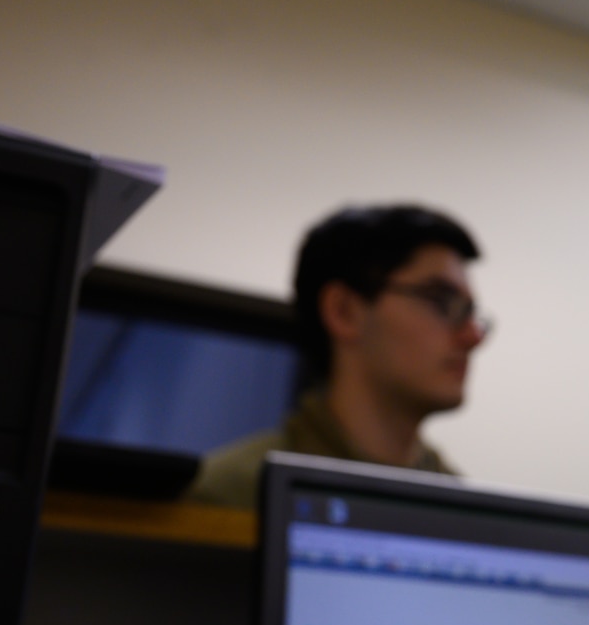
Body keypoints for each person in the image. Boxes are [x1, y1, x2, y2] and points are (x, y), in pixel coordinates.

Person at [188, 204, 488, 508]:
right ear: (344, 311)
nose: (473, 336)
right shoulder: (230, 498)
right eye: (441, 301)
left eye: (470, 313)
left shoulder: (467, 511)